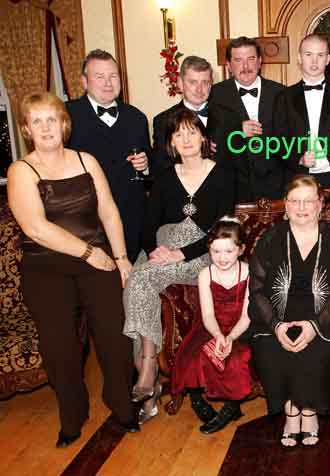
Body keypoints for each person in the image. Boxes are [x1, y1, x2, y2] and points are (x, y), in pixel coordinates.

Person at [7, 92, 138, 447]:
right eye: (37, 121)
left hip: (98, 258)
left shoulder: (86, 160)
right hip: (46, 266)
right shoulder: (21, 170)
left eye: (52, 119)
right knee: (60, 347)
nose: (46, 127)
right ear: (27, 129)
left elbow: (108, 210)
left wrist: (122, 257)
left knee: (115, 336)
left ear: (64, 124)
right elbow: (35, 227)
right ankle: (72, 417)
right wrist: (88, 252)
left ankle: (122, 406)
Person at [122, 109, 236, 425]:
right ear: (172, 142)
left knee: (140, 278)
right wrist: (155, 250)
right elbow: (148, 224)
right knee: (139, 277)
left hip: (198, 255)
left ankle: (148, 369)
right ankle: (149, 378)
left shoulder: (224, 175)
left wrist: (181, 253)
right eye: (178, 134)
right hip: (161, 250)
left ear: (203, 138)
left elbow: (221, 229)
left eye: (191, 132)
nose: (185, 139)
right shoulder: (165, 177)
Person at [248, 174, 330, 447]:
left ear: (321, 204)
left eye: (308, 201)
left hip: (328, 319)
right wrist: (275, 325)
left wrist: (314, 327)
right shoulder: (270, 238)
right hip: (277, 319)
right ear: (285, 205)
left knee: (317, 351)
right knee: (273, 350)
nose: (301, 207)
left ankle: (309, 412)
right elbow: (257, 289)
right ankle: (291, 411)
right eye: (295, 201)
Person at [66, 49, 159, 262]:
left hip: (132, 219)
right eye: (99, 77)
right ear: (84, 81)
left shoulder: (137, 117)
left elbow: (149, 171)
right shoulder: (67, 116)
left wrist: (145, 165)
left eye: (113, 76)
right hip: (87, 221)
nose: (108, 83)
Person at [171, 217, 252, 434]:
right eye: (216, 252)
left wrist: (230, 338)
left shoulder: (249, 273)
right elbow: (207, 313)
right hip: (211, 326)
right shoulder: (205, 274)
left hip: (240, 328)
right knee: (193, 356)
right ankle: (197, 400)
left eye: (228, 251)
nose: (222, 258)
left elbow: (247, 315)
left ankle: (232, 406)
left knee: (235, 359)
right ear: (209, 250)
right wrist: (217, 335)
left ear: (241, 249)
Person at [273, 34, 330, 190]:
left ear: (328, 59)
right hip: (297, 180)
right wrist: (298, 159)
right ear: (299, 58)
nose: (314, 61)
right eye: (308, 55)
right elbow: (278, 140)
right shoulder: (283, 97)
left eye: (320, 55)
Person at [209, 37, 285, 202]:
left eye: (251, 59)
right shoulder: (214, 95)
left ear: (259, 62)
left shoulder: (281, 93)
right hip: (232, 187)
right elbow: (206, 135)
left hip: (275, 186)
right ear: (228, 65)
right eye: (238, 60)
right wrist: (236, 131)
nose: (245, 66)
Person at [152, 56, 214, 174]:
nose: (199, 89)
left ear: (211, 84)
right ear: (180, 83)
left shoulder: (228, 117)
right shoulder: (163, 121)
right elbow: (161, 167)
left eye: (205, 82)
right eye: (193, 82)